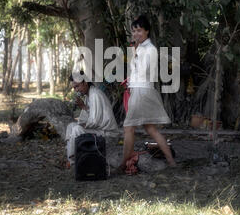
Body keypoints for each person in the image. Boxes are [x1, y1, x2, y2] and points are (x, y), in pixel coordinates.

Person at [119, 15, 176, 171]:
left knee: (129, 127)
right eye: (134, 30)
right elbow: (134, 70)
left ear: (147, 31)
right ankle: (171, 161)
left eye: (139, 30)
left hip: (142, 92)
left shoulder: (150, 49)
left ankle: (124, 162)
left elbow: (144, 72)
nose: (136, 33)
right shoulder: (139, 48)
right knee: (150, 129)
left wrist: (135, 52)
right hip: (137, 90)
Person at [65, 73, 118, 167]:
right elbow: (92, 116)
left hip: (108, 134)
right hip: (99, 129)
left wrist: (83, 125)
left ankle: (73, 160)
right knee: (71, 126)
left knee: (77, 129)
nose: (76, 90)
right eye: (74, 88)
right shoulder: (88, 95)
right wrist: (84, 106)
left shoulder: (95, 95)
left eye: (77, 86)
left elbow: (95, 121)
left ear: (85, 82)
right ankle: (71, 159)